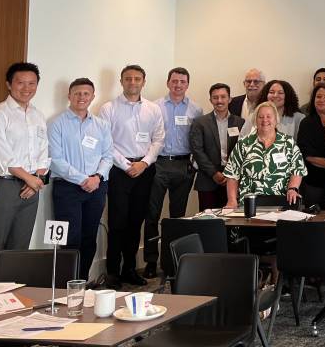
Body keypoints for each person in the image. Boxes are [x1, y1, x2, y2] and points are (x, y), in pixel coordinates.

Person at [0, 62, 50, 282]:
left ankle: (11, 296)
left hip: (30, 188)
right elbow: (1, 155)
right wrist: (31, 180)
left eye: (32, 83)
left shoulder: (38, 116)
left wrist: (36, 180)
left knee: (20, 248)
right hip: (4, 186)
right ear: (9, 84)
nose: (26, 88)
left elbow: (43, 152)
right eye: (20, 82)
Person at [99, 64, 165, 289]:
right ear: (121, 82)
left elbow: (158, 140)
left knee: (136, 221)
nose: (133, 82)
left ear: (143, 82)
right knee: (117, 223)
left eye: (137, 79)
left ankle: (129, 270)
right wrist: (128, 165)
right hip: (119, 170)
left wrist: (144, 163)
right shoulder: (109, 109)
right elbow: (106, 142)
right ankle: (112, 273)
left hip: (145, 171)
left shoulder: (153, 109)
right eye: (128, 79)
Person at [48, 78, 112, 280]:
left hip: (97, 188)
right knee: (69, 238)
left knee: (89, 237)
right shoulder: (56, 123)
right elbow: (55, 160)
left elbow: (108, 156)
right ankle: (64, 285)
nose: (82, 97)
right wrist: (85, 179)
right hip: (67, 188)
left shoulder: (101, 125)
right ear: (69, 96)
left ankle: (80, 283)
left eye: (86, 94)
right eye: (77, 93)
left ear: (93, 97)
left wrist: (97, 177)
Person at [144, 67, 202, 278]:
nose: (178, 85)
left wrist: (194, 164)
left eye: (182, 82)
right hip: (158, 165)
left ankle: (172, 261)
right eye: (174, 81)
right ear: (168, 83)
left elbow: (197, 140)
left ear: (188, 85)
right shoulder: (154, 107)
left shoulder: (196, 109)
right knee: (152, 215)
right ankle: (151, 261)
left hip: (183, 166)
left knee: (178, 217)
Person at [223, 102, 306, 208]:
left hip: (281, 202)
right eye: (260, 117)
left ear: (276, 120)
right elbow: (232, 175)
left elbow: (297, 170)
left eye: (269, 116)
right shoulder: (244, 144)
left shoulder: (288, 142)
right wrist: (231, 200)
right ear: (255, 120)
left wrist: (292, 189)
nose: (265, 120)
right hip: (249, 203)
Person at [189, 83, 244, 211]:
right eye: (215, 97)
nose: (219, 101)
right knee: (207, 221)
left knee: (231, 220)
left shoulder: (240, 122)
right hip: (207, 179)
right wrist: (214, 173)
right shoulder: (200, 122)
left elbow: (242, 150)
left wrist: (230, 173)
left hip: (233, 179)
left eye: (223, 97)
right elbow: (197, 151)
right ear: (210, 100)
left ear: (230, 99)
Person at [297, 83, 325, 209]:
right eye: (318, 96)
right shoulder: (306, 123)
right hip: (314, 182)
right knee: (314, 218)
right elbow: (306, 154)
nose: (321, 100)